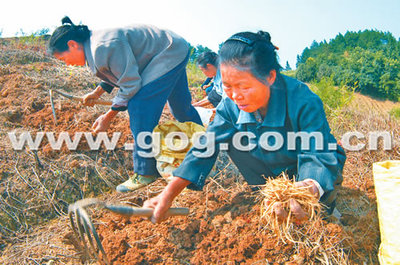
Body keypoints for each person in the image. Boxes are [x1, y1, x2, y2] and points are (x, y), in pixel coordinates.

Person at [144, 31, 346, 223]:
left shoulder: (303, 101)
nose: (236, 96)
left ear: (270, 77)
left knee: (315, 208)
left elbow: (316, 153)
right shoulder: (230, 105)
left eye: (244, 86)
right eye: (228, 86)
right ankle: (270, 196)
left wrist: (305, 188)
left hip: (312, 166)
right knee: (231, 138)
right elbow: (205, 147)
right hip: (275, 167)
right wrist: (168, 194)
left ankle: (324, 205)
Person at [47, 17, 202, 192]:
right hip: (173, 47)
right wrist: (96, 93)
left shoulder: (101, 47)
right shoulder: (95, 45)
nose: (67, 63)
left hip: (168, 50)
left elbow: (130, 84)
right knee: (181, 106)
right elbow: (120, 72)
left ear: (73, 44)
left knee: (139, 106)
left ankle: (146, 172)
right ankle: (205, 148)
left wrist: (108, 117)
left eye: (63, 58)